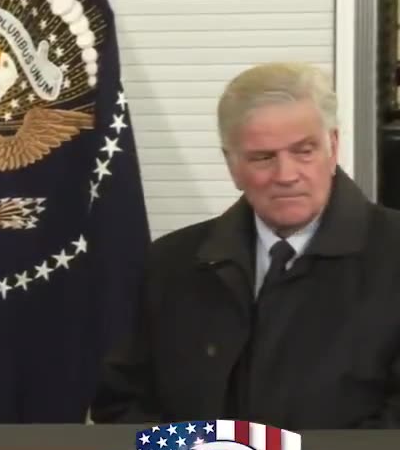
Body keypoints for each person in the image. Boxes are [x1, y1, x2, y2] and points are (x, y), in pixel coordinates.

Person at [92, 62, 400, 429]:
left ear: (332, 147)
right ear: (232, 165)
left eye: (304, 151)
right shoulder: (171, 263)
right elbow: (120, 403)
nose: (286, 175)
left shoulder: (392, 253)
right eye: (263, 157)